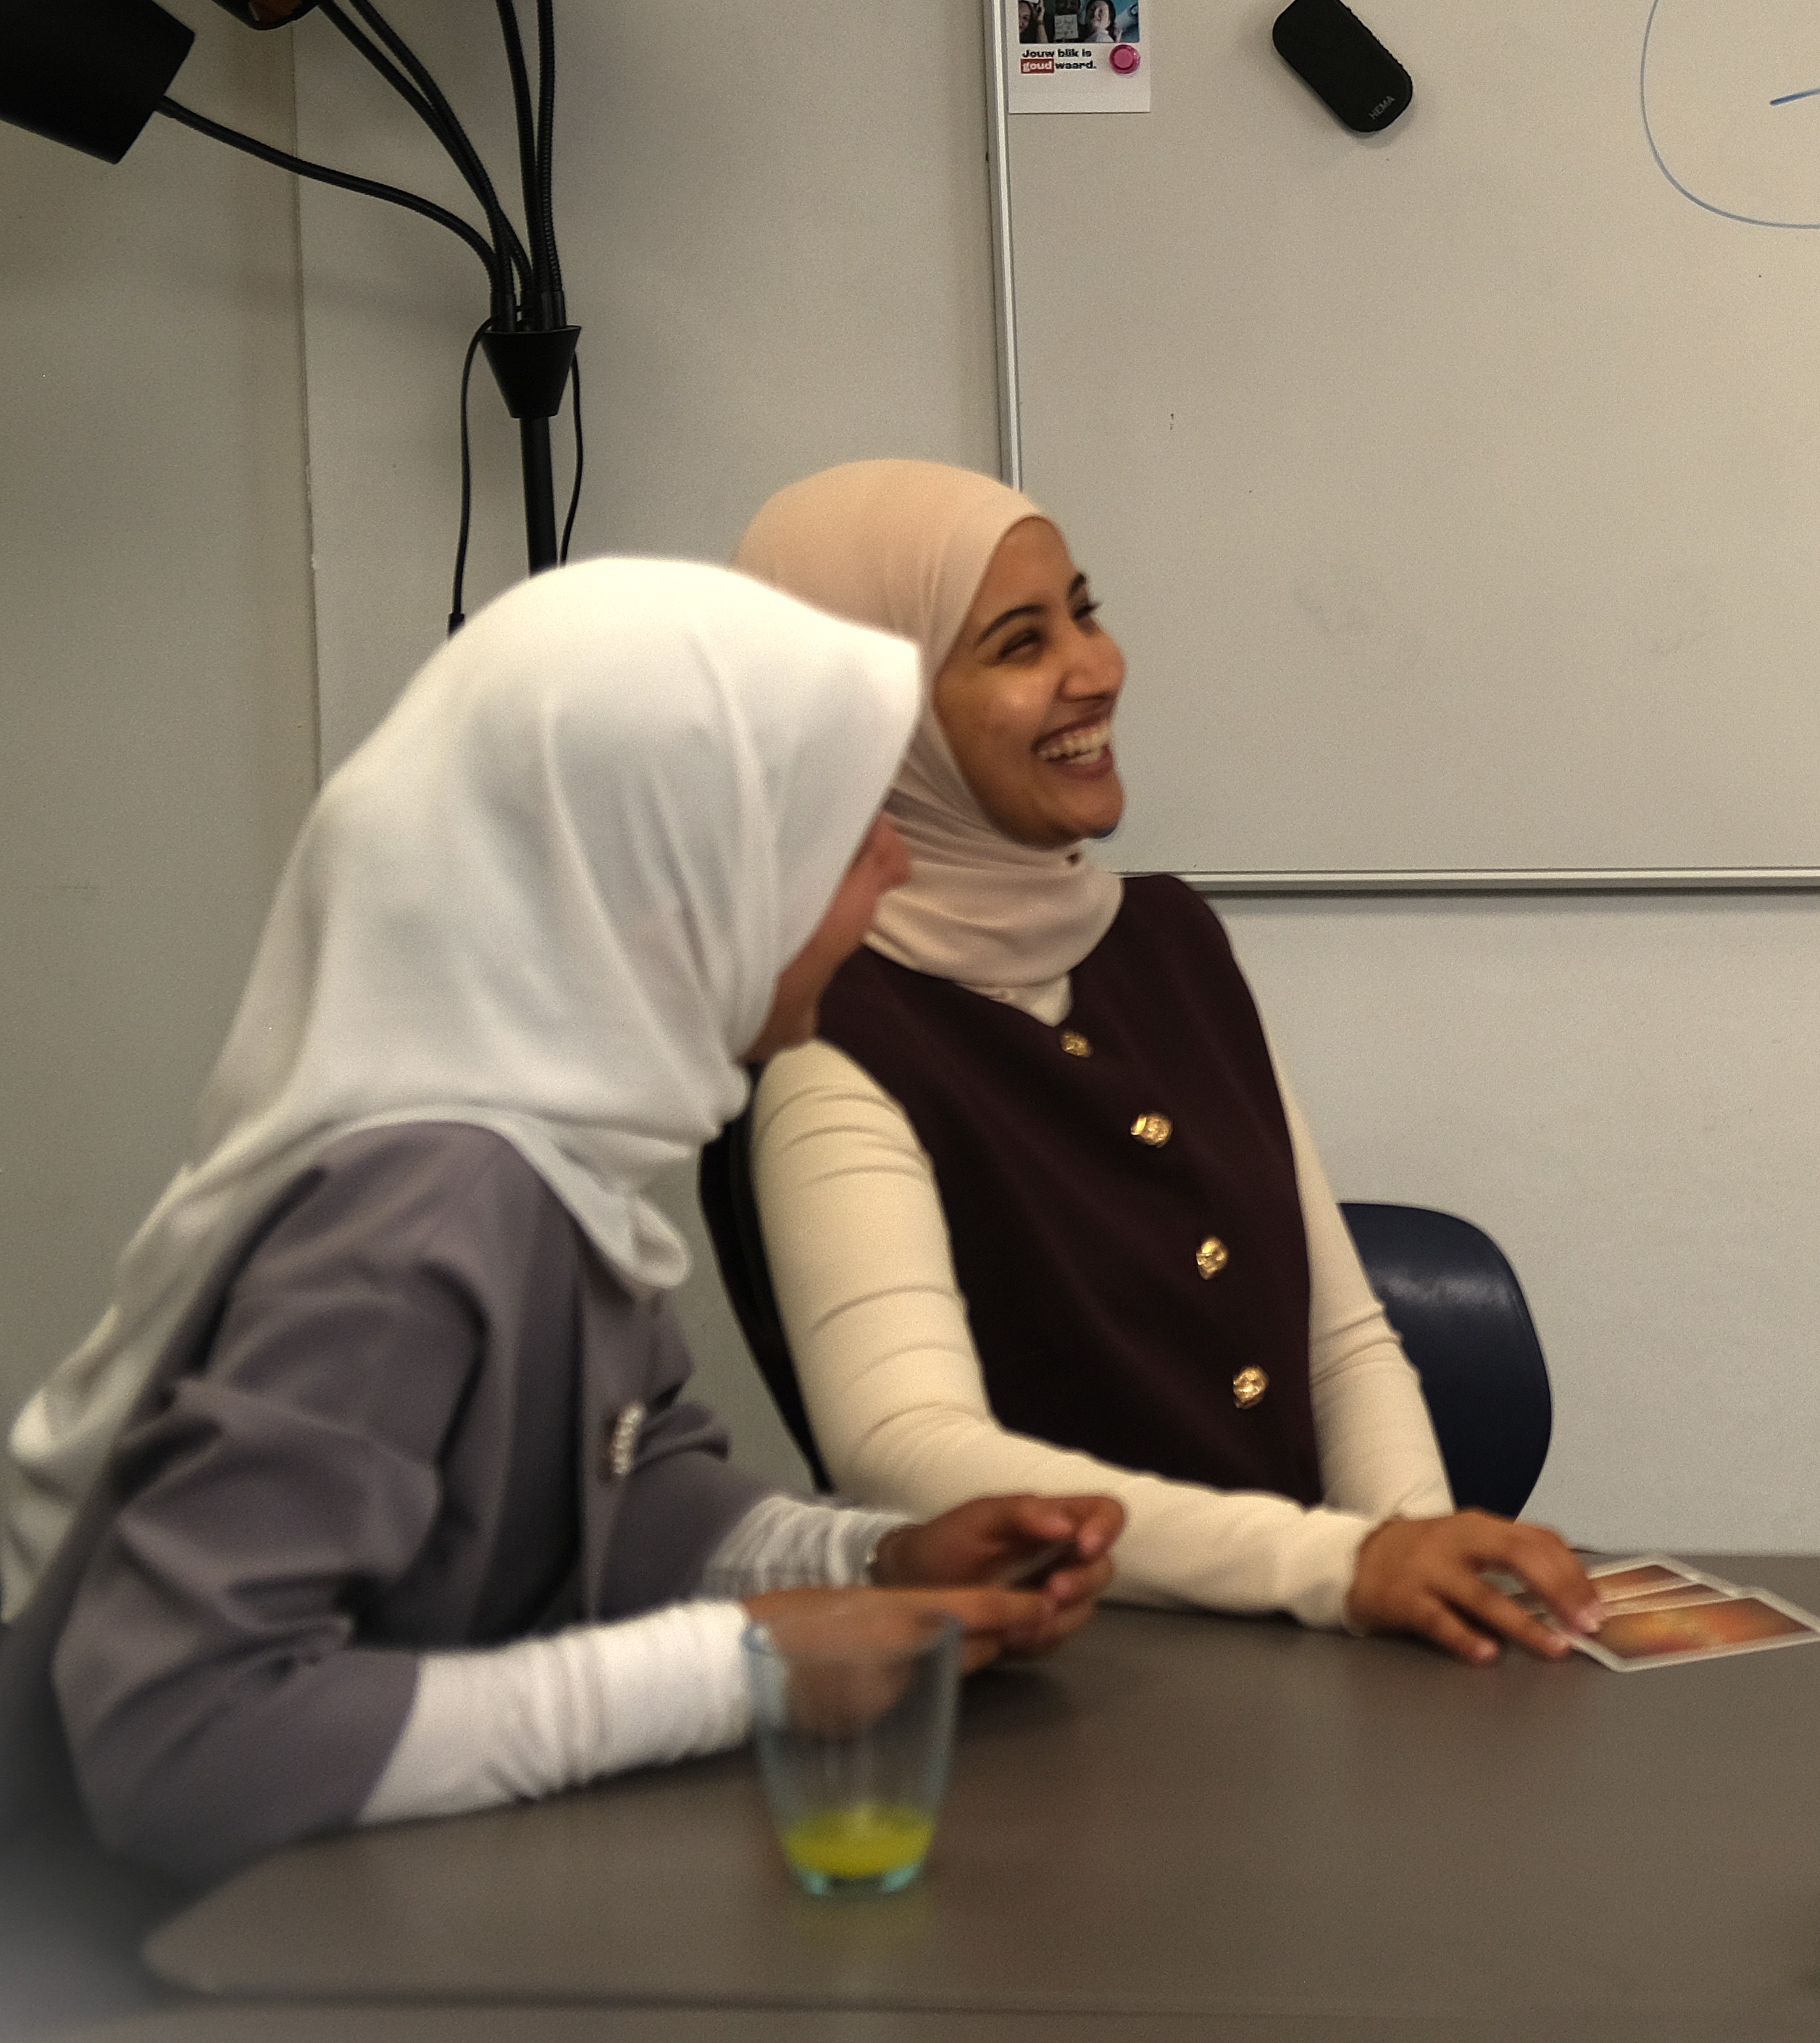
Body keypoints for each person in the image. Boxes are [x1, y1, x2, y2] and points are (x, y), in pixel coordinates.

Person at [0, 562, 1122, 1885]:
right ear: (676, 883)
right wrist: (747, 1671)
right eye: (836, 826)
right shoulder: (421, 1218)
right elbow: (183, 1739)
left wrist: (872, 1558)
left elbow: (623, 1495)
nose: (895, 858)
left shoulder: (554, 1158)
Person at [727, 461, 1603, 1663]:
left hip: (1313, 1657)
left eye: (1083, 611)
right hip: (1079, 1691)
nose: (1097, 666)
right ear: (874, 720)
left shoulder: (1167, 938)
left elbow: (1339, 1339)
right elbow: (905, 1450)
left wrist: (1421, 1565)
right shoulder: (829, 1031)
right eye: (1020, 643)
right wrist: (1343, 1567)